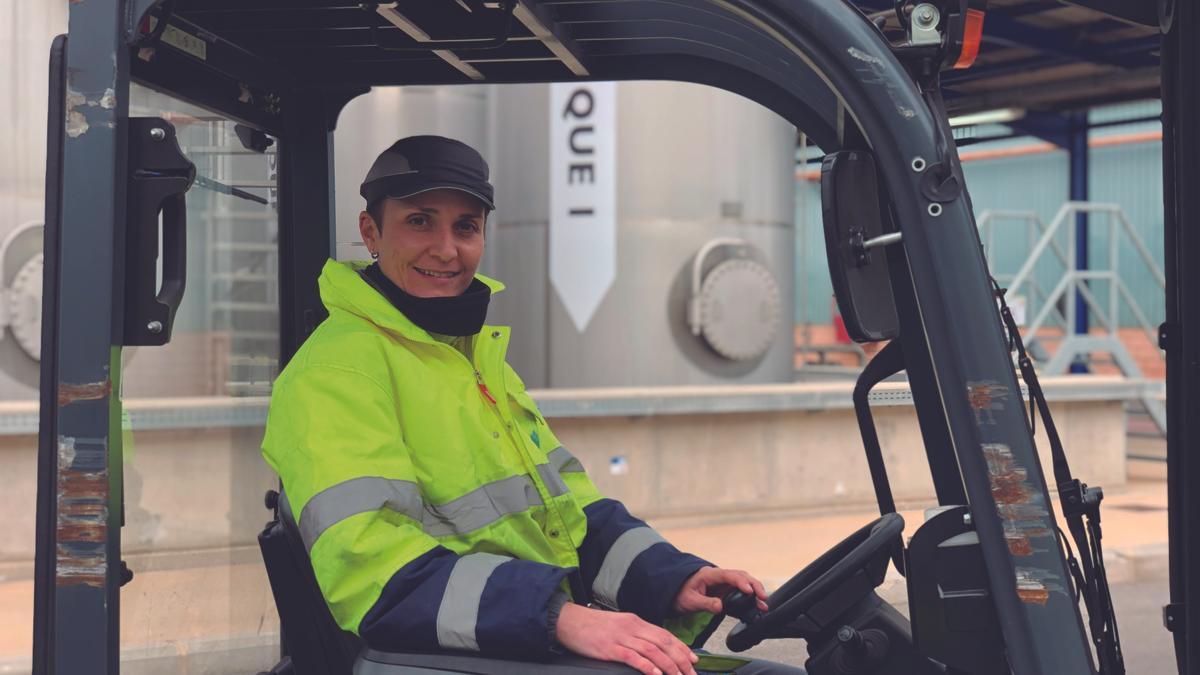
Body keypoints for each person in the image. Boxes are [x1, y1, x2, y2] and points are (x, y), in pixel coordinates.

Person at [261, 135, 802, 675]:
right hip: (459, 658)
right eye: (420, 221)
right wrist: (559, 617)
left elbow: (569, 513)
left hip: (519, 643)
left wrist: (670, 578)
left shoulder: (469, 357)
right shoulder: (333, 375)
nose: (446, 249)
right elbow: (372, 570)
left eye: (466, 227)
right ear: (370, 232)